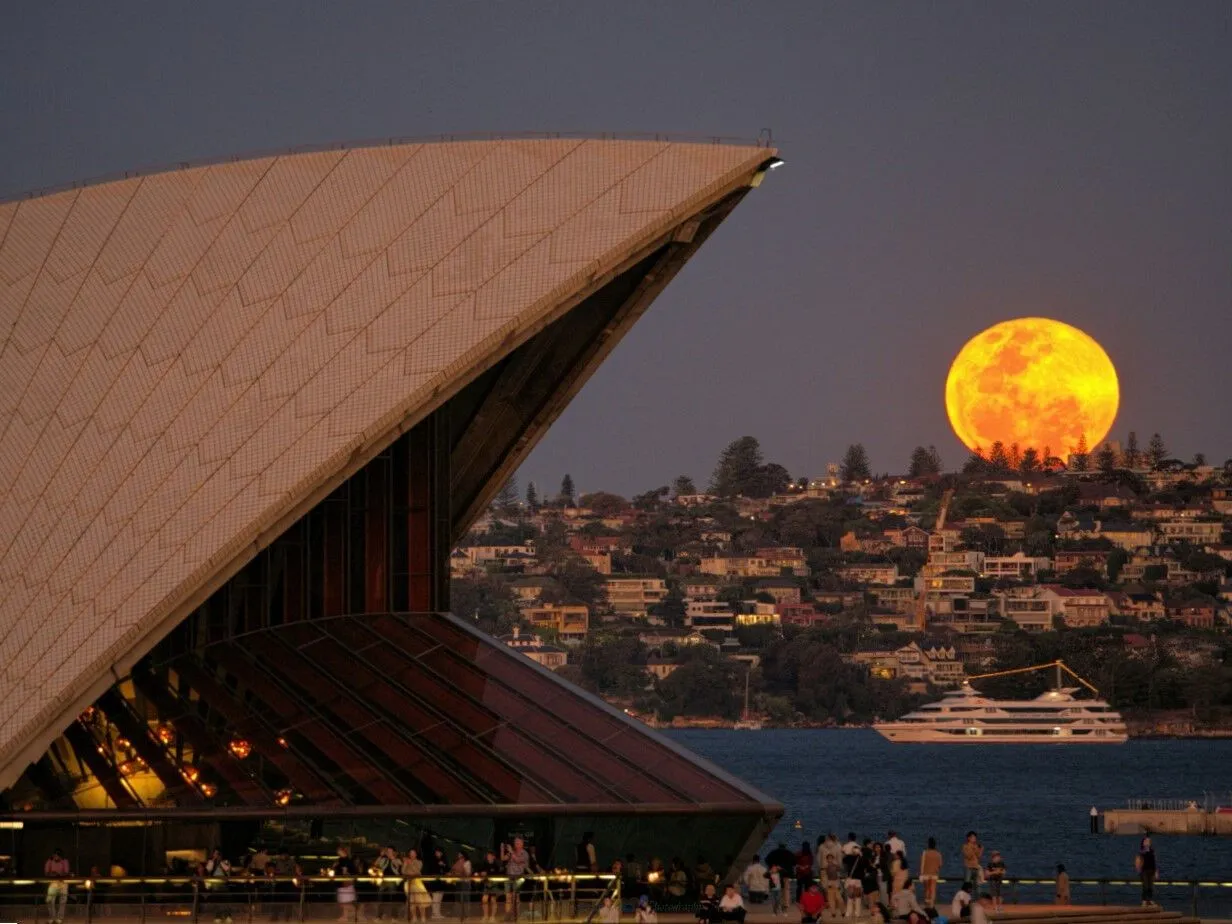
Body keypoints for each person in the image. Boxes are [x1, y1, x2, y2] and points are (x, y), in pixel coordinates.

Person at [502, 837, 530, 920]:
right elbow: (503, 858)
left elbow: (518, 860)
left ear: (522, 843)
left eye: (518, 842)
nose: (516, 844)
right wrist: (502, 849)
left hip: (518, 877)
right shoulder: (512, 851)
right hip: (509, 876)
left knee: (516, 897)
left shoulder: (525, 853)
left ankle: (515, 915)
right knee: (508, 897)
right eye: (515, 842)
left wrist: (511, 851)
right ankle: (507, 916)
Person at [44, 848, 71, 924]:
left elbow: (66, 872)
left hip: (63, 882)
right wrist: (52, 874)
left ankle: (59, 918)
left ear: (60, 855)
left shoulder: (65, 861)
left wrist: (59, 874)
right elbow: (46, 873)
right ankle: (52, 917)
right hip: (53, 882)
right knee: (49, 900)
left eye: (57, 855)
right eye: (54, 855)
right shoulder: (49, 861)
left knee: (63, 901)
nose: (56, 857)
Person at [333, 847, 358, 923]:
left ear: (344, 851)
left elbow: (352, 871)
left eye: (340, 851)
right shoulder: (339, 860)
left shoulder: (348, 861)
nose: (339, 853)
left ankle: (351, 913)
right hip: (340, 882)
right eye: (338, 852)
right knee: (342, 901)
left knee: (345, 901)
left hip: (346, 883)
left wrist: (347, 875)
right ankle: (346, 915)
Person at [404, 848, 428, 923]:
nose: (412, 854)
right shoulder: (406, 861)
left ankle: (423, 917)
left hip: (417, 882)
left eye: (413, 853)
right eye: (410, 853)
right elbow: (403, 871)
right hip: (408, 882)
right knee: (411, 901)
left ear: (416, 854)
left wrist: (410, 863)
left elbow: (417, 871)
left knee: (420, 900)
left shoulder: (419, 862)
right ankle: (414, 917)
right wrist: (405, 864)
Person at [477, 849, 501, 922]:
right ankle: (485, 916)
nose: (489, 857)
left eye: (490, 856)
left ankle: (492, 917)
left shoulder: (496, 865)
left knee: (493, 900)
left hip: (494, 884)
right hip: (486, 884)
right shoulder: (484, 864)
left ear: (493, 857)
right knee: (484, 899)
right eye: (488, 856)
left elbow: (498, 875)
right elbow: (479, 872)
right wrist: (481, 874)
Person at [918, 838, 942, 908]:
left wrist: (921, 873)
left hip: (925, 874)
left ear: (928, 844)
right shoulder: (938, 854)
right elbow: (940, 864)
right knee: (933, 889)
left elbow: (922, 864)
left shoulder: (925, 853)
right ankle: (932, 904)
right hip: (934, 874)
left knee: (926, 890)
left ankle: (926, 904)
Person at [426, 846, 448, 920]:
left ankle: (438, 913)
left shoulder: (444, 860)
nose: (438, 853)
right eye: (437, 852)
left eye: (439, 852)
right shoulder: (432, 860)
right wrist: (439, 865)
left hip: (441, 882)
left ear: (442, 853)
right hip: (435, 882)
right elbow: (431, 870)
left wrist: (443, 865)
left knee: (439, 898)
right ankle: (434, 914)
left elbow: (447, 869)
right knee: (435, 898)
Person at [1136, 837, 1157, 907]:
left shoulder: (1152, 851)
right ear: (1143, 843)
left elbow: (1154, 861)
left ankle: (1150, 900)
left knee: (1151, 887)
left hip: (1152, 870)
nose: (1147, 842)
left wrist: (1156, 871)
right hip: (1144, 870)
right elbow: (1138, 861)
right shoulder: (1141, 851)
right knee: (1145, 886)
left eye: (1148, 841)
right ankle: (1144, 900)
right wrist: (1138, 869)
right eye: (1146, 841)